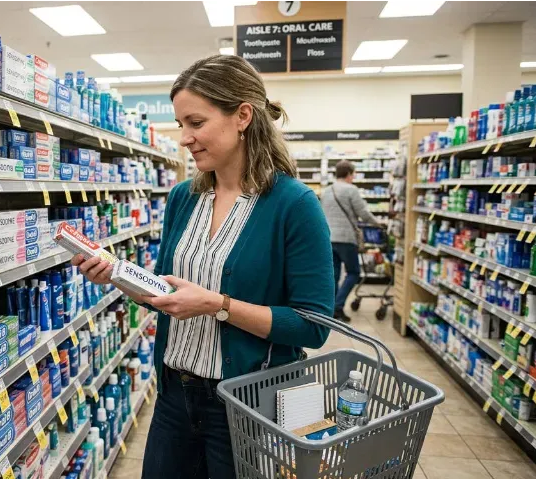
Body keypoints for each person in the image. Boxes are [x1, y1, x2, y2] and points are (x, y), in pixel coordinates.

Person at [70, 55, 334, 479]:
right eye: (180, 124)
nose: (184, 138)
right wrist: (119, 276)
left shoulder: (294, 205)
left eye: (196, 122)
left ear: (243, 116)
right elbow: (167, 295)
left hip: (247, 404)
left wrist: (218, 304)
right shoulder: (183, 198)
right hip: (175, 395)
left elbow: (312, 325)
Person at [320, 160, 382, 322]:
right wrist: (378, 224)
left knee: (333, 275)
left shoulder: (327, 191)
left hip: (328, 238)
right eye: (353, 174)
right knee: (353, 273)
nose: (354, 177)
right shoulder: (351, 190)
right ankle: (338, 306)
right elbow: (363, 213)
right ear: (348, 174)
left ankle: (329, 309)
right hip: (346, 239)